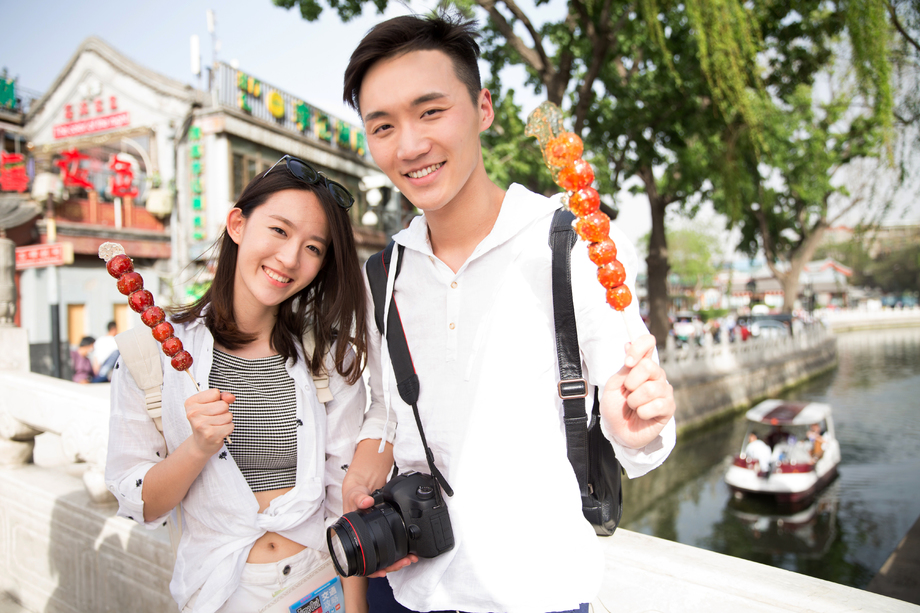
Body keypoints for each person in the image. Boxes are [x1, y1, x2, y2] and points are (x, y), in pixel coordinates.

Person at [340, 13, 677, 613]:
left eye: (431, 111)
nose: (410, 145)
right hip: (408, 591)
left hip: (537, 593)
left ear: (483, 109)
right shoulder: (383, 273)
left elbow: (641, 435)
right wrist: (366, 470)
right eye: (383, 126)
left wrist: (638, 430)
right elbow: (387, 414)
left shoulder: (568, 244)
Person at [104, 157, 369, 613]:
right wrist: (197, 447)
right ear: (237, 224)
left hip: (322, 582)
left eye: (313, 247)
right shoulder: (151, 357)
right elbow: (141, 502)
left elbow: (344, 502)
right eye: (280, 231)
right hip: (222, 593)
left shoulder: (327, 358)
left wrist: (357, 608)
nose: (289, 259)